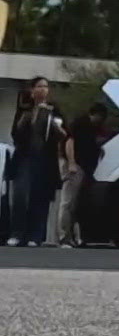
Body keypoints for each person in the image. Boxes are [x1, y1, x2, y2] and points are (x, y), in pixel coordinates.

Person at [7, 77, 66, 247]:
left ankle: (35, 235)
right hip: (25, 158)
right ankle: (17, 233)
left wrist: (54, 124)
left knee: (40, 197)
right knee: (20, 195)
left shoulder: (53, 110)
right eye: (39, 86)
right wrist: (27, 117)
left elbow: (63, 133)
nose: (43, 90)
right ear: (32, 90)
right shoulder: (25, 109)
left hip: (45, 160)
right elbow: (15, 134)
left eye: (46, 87)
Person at [55, 102, 107, 247]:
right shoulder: (80, 123)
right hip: (74, 165)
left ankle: (70, 237)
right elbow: (69, 142)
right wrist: (71, 163)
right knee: (67, 202)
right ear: (95, 114)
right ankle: (63, 237)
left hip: (81, 167)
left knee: (73, 204)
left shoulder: (93, 128)